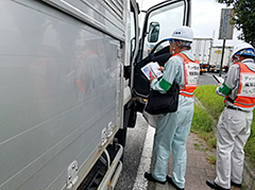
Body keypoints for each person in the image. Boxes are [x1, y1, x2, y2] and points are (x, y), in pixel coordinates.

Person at [144, 26, 200, 190]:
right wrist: (165, 69)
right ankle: (178, 180)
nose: (170, 46)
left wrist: (153, 81)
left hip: (175, 104)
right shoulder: (194, 61)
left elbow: (164, 86)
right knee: (180, 144)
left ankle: (159, 175)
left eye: (171, 42)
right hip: (189, 103)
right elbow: (182, 78)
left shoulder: (175, 60)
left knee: (163, 141)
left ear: (176, 43)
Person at [206, 42, 255, 190]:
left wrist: (219, 87)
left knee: (225, 148)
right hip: (248, 114)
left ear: (239, 56)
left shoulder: (237, 68)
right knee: (239, 148)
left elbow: (224, 90)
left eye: (234, 58)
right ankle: (236, 179)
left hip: (233, 113)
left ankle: (222, 182)